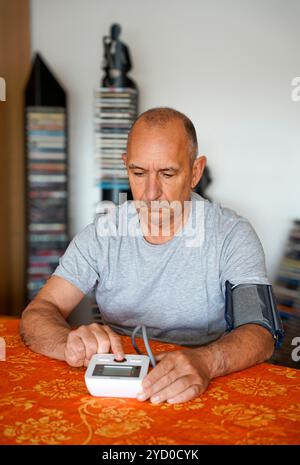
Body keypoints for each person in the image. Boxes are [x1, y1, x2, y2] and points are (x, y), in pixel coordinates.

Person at [20, 107, 276, 405]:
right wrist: (68, 344)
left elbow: (261, 332)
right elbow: (39, 311)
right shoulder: (103, 233)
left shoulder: (232, 234)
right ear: (125, 166)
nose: (150, 193)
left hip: (201, 383)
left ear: (195, 172)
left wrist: (207, 361)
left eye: (167, 173)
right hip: (119, 387)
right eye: (138, 173)